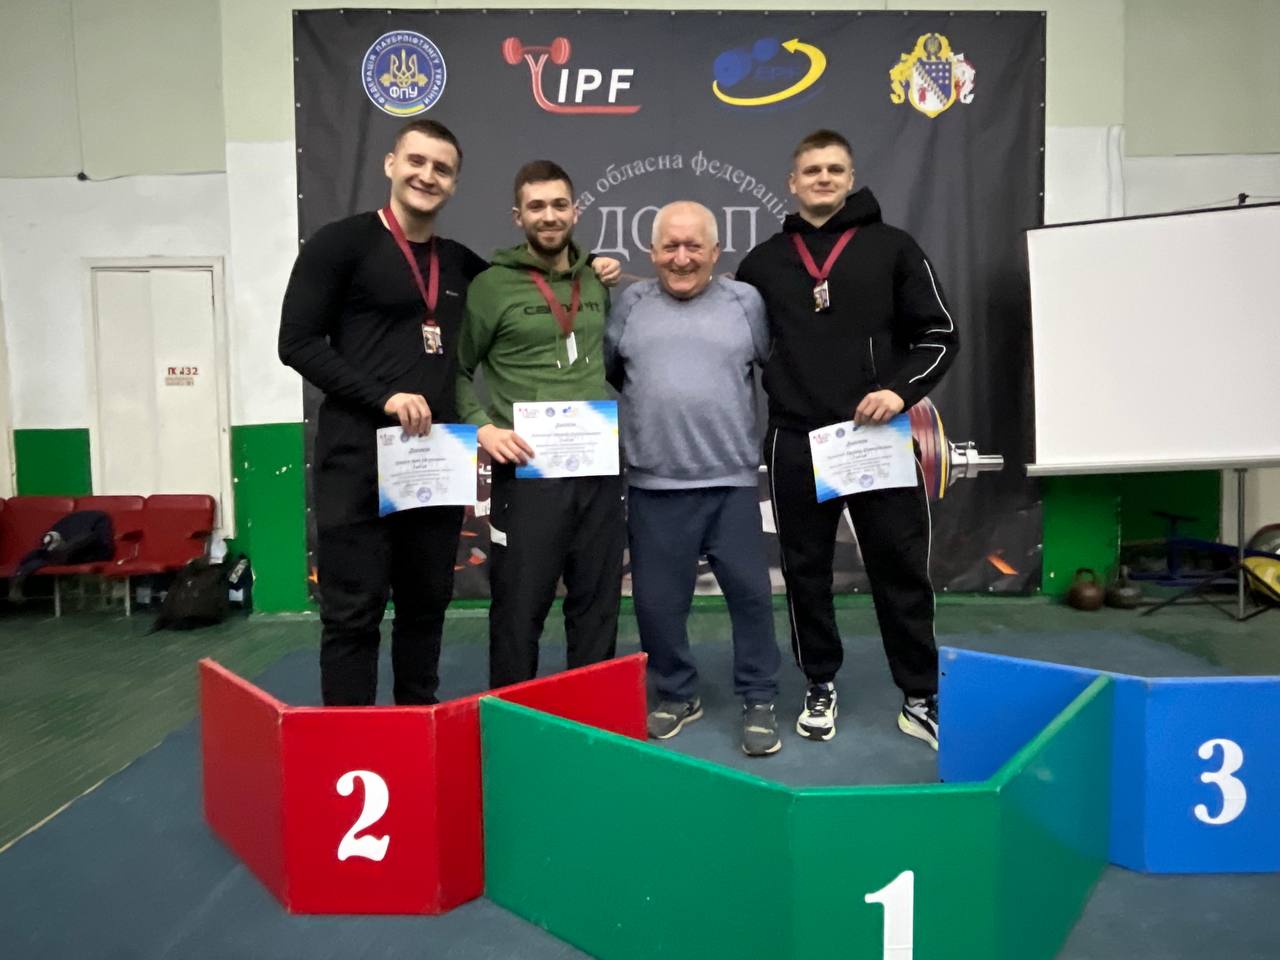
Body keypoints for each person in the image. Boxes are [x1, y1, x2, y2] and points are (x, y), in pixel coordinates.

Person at [279, 123, 618, 705]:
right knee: (353, 610)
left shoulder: (461, 265)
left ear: (455, 183)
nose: (426, 176)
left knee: (426, 605)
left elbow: (534, 281)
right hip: (359, 456)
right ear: (390, 164)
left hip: (436, 459)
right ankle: (353, 739)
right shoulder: (340, 244)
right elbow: (296, 343)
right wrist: (383, 398)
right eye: (416, 161)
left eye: (441, 168)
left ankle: (419, 724)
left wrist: (592, 268)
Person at [735, 129, 959, 749]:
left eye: (835, 169)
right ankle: (820, 683)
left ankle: (920, 694)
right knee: (805, 573)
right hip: (796, 438)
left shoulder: (894, 248)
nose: (824, 178)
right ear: (793, 182)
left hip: (875, 435)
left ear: (851, 177)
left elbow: (939, 334)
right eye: (812, 170)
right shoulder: (762, 263)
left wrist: (899, 391)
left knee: (900, 569)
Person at [605, 201, 783, 757]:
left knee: (752, 597)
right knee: (657, 604)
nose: (681, 258)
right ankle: (677, 692)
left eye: (693, 246)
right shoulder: (629, 304)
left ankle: (759, 696)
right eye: (670, 246)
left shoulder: (745, 302)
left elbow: (770, 364)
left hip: (731, 483)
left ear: (715, 252)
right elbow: (614, 371)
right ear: (652, 252)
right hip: (654, 485)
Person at [457, 160, 624, 688]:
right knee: (519, 607)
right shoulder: (490, 287)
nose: (549, 216)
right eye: (536, 207)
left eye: (558, 205)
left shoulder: (595, 279)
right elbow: (456, 370)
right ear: (517, 216)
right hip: (527, 474)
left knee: (597, 603)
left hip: (597, 470)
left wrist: (599, 268)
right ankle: (513, 716)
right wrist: (481, 427)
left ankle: (592, 715)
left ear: (575, 211)